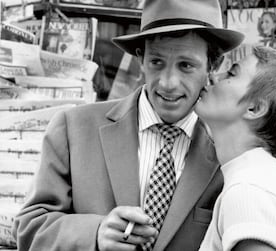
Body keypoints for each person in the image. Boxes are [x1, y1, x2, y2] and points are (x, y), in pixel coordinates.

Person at [12, 0, 244, 250]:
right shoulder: (73, 128)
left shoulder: (232, 154)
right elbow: (29, 227)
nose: (168, 83)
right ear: (140, 59)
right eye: (157, 62)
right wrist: (95, 233)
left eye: (186, 66)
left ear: (213, 66)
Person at [195, 45, 276, 251]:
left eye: (232, 73)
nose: (214, 76)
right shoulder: (262, 181)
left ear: (254, 108)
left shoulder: (248, 192)